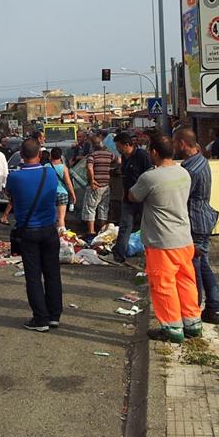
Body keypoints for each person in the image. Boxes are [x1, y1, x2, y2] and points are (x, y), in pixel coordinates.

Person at [129, 135, 201, 343]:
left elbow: (133, 196)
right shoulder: (184, 173)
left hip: (162, 241)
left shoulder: (150, 178)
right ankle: (192, 323)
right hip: (184, 238)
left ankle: (172, 328)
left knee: (163, 285)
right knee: (186, 281)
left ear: (153, 153)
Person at [6, 138, 62, 332]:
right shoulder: (50, 173)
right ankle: (54, 315)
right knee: (53, 273)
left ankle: (40, 318)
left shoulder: (14, 177)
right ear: (39, 154)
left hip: (28, 230)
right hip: (49, 228)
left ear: (21, 155)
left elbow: (10, 197)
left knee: (33, 276)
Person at [173, 129, 219, 325]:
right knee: (203, 265)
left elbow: (181, 196)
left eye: (176, 143)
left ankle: (195, 308)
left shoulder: (190, 170)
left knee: (194, 268)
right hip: (203, 218)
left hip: (195, 221)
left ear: (183, 144)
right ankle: (213, 307)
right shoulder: (201, 160)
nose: (175, 147)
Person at [114, 131, 152, 265]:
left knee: (148, 228)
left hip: (142, 199)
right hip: (128, 199)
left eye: (119, 146)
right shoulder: (124, 157)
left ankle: (150, 257)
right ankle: (119, 255)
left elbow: (149, 175)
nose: (118, 149)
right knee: (125, 226)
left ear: (127, 145)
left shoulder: (141, 156)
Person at [83, 133, 114, 234]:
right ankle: (103, 232)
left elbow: (89, 167)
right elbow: (118, 161)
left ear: (92, 145)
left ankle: (91, 232)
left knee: (91, 209)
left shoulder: (92, 156)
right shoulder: (109, 154)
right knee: (103, 209)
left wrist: (92, 180)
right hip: (106, 185)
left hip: (95, 186)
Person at [46, 148, 76, 233]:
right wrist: (73, 194)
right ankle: (61, 236)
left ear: (50, 156)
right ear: (60, 157)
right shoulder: (63, 168)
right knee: (61, 218)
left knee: (50, 216)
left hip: (49, 194)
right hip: (62, 193)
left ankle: (50, 234)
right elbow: (68, 183)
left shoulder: (46, 167)